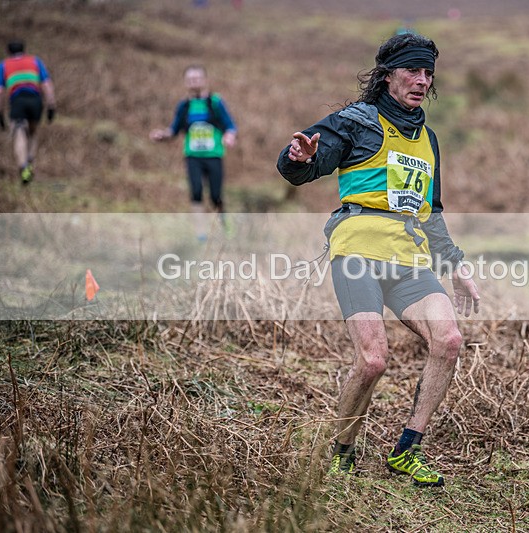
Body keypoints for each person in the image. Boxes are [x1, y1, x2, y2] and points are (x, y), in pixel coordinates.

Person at [277, 33, 480, 487]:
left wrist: (456, 266)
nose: (422, 80)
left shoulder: (428, 140)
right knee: (372, 360)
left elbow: (432, 212)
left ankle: (408, 450)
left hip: (408, 260)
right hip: (358, 253)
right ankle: (342, 452)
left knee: (449, 340)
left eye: (428, 73)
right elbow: (304, 163)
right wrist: (300, 159)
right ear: (388, 75)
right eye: (413, 71)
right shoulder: (357, 121)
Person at [150, 65, 237, 241]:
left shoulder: (215, 102)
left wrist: (229, 136)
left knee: (215, 196)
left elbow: (230, 125)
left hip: (214, 156)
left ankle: (225, 227)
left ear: (205, 80)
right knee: (196, 192)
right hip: (193, 157)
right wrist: (162, 135)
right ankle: (200, 234)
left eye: (196, 78)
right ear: (185, 82)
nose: (193, 82)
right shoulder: (184, 106)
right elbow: (174, 130)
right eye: (189, 79)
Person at [0, 40, 57, 184]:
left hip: (18, 101)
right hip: (35, 100)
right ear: (24, 50)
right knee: (33, 133)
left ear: (8, 52)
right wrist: (51, 106)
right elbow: (46, 84)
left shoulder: (4, 65)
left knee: (19, 132)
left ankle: (23, 167)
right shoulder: (35, 61)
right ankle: (30, 162)